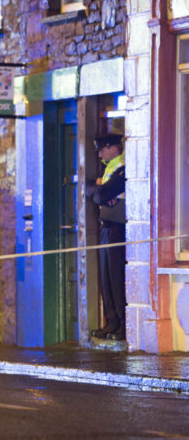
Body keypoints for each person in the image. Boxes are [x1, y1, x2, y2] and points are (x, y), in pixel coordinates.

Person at [86, 133, 126, 341]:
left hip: (118, 228)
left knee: (116, 277)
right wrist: (99, 188)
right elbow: (89, 188)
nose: (100, 153)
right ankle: (112, 321)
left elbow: (100, 195)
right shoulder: (108, 167)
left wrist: (100, 190)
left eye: (102, 149)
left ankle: (122, 323)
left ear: (113, 148)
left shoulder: (123, 168)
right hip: (106, 227)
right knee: (106, 278)